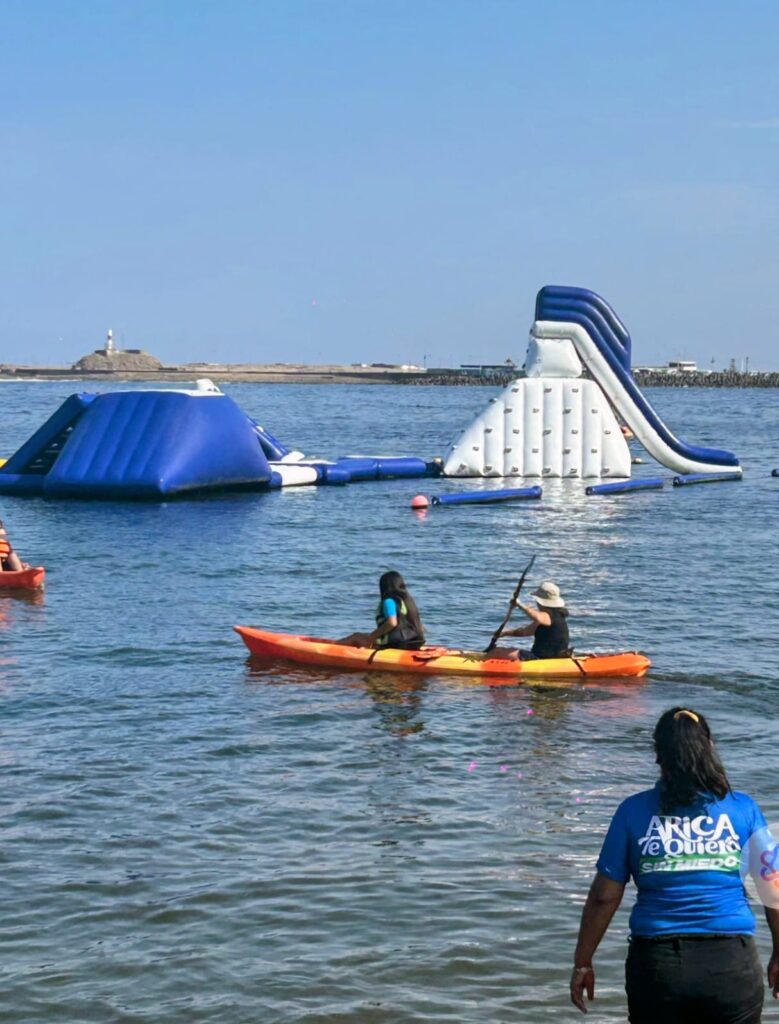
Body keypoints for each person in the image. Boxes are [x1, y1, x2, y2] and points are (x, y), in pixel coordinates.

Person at [571, 706, 779, 1022]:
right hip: (731, 967)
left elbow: (604, 897)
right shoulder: (744, 810)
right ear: (710, 747)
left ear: (658, 754)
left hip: (658, 968)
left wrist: (583, 962)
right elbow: (773, 888)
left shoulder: (632, 811)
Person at [340, 571, 425, 650]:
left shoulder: (389, 601)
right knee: (363, 636)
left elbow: (392, 623)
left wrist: (372, 637)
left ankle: (331, 649)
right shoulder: (408, 601)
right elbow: (422, 628)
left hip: (396, 644)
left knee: (356, 637)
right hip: (413, 643)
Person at [499, 581, 570, 659]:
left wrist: (520, 605)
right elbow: (524, 632)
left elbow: (538, 617)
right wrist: (506, 633)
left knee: (497, 651)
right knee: (506, 651)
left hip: (540, 658)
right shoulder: (556, 616)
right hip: (557, 657)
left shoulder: (548, 616)